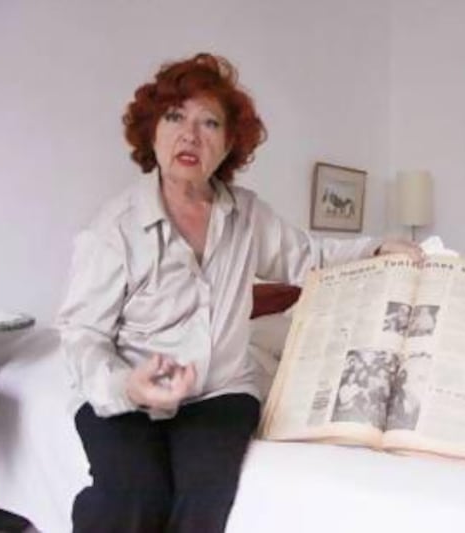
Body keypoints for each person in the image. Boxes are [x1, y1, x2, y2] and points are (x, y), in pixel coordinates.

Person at [57, 53, 424, 533]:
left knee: (203, 501)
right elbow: (82, 334)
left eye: (209, 123)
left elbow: (308, 256)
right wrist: (130, 385)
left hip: (220, 392)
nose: (190, 135)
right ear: (152, 131)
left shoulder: (247, 215)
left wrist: (378, 246)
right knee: (132, 497)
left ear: (229, 144)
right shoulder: (114, 228)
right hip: (127, 392)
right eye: (175, 117)